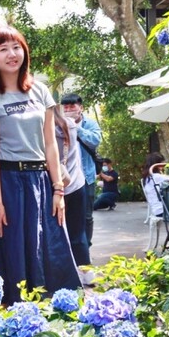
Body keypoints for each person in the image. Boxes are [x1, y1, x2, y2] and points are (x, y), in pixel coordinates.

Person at [0, 26, 81, 304]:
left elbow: (50, 145)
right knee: (11, 250)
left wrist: (59, 190)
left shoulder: (40, 91)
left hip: (41, 183)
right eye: (3, 49)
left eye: (17, 47)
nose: (12, 54)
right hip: (8, 182)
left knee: (49, 250)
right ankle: (13, 313)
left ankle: (51, 314)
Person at [53, 104, 92, 280]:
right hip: (75, 184)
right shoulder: (70, 125)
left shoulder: (44, 130)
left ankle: (63, 273)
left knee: (57, 231)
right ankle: (86, 273)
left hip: (55, 188)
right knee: (78, 232)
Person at [60, 93, 102, 246]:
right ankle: (69, 247)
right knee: (65, 214)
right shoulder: (58, 124)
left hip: (86, 177)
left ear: (80, 108)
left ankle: (86, 245)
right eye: (66, 107)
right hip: (66, 178)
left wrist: (74, 127)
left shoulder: (89, 124)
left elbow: (95, 140)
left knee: (86, 216)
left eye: (72, 106)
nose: (69, 109)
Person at [141, 152, 169, 252]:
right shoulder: (157, 177)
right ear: (157, 164)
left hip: (156, 209)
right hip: (162, 210)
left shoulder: (147, 177)